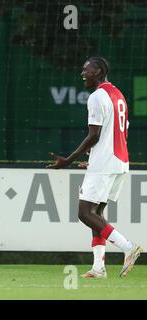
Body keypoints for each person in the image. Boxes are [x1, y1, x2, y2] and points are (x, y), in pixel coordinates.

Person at [47, 57, 143, 278]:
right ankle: (98, 267)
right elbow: (120, 131)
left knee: (83, 212)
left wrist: (68, 160)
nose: (82, 73)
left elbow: (94, 135)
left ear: (99, 71)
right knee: (96, 213)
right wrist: (94, 157)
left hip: (106, 163)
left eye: (86, 69)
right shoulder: (118, 94)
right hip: (119, 161)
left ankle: (128, 247)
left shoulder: (97, 97)